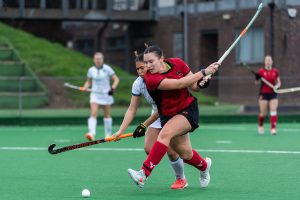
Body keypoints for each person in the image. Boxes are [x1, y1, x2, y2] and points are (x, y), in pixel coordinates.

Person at [118, 45, 219, 188]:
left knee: (165, 134)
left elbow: (193, 86)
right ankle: (204, 166)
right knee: (185, 154)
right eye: (146, 63)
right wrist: (204, 72)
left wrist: (202, 83)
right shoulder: (151, 79)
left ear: (161, 59)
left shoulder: (178, 63)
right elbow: (179, 84)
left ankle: (143, 174)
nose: (148, 66)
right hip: (167, 114)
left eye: (151, 62)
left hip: (187, 109)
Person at [113, 51, 188, 189]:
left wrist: (144, 124)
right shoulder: (138, 83)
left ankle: (181, 178)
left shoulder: (158, 80)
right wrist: (120, 131)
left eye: (143, 68)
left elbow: (163, 108)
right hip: (157, 114)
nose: (141, 72)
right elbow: (131, 109)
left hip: (172, 113)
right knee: (149, 148)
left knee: (173, 151)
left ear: (150, 65)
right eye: (138, 69)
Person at [82, 52, 119, 140]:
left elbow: (116, 79)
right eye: (96, 59)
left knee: (106, 115)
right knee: (93, 113)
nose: (98, 61)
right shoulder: (91, 70)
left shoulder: (107, 69)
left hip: (106, 94)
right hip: (95, 94)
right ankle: (91, 133)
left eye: (100, 59)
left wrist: (112, 88)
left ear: (102, 60)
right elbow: (89, 82)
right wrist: (85, 87)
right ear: (94, 60)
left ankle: (108, 134)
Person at [255, 55, 281, 135]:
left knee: (273, 110)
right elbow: (256, 83)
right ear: (264, 62)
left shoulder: (275, 71)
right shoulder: (261, 71)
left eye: (270, 60)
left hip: (273, 93)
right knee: (263, 113)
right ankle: (261, 125)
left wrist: (277, 86)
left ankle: (273, 128)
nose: (268, 61)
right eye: (267, 60)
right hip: (263, 94)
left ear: (272, 62)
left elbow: (279, 82)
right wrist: (258, 78)